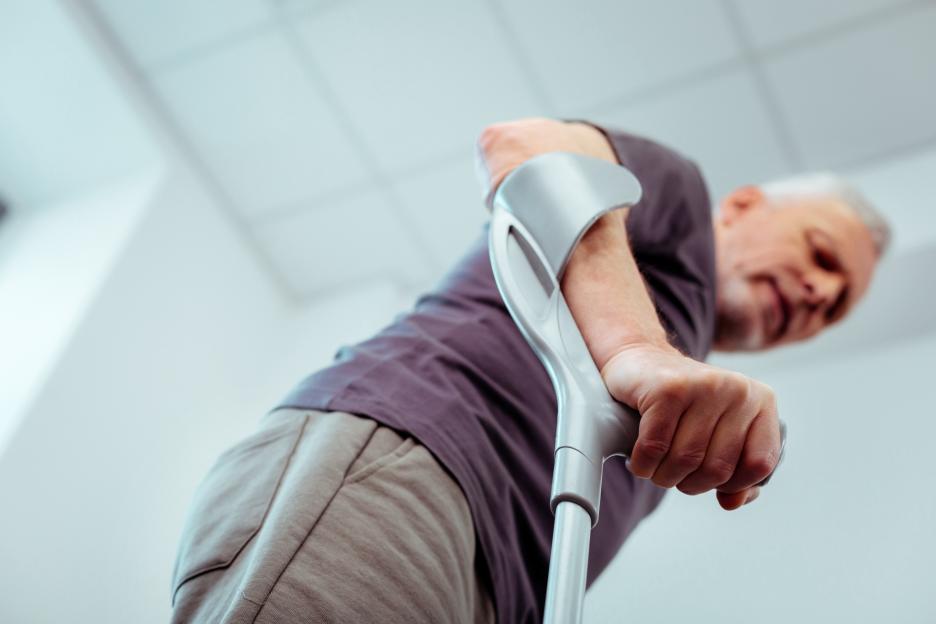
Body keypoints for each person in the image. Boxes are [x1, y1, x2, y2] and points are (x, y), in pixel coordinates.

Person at [169, 118, 889, 624]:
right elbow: (526, 146)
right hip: (413, 468)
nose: (820, 293)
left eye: (836, 307)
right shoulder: (675, 198)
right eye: (821, 255)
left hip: (497, 594)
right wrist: (637, 351)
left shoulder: (687, 380)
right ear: (744, 207)